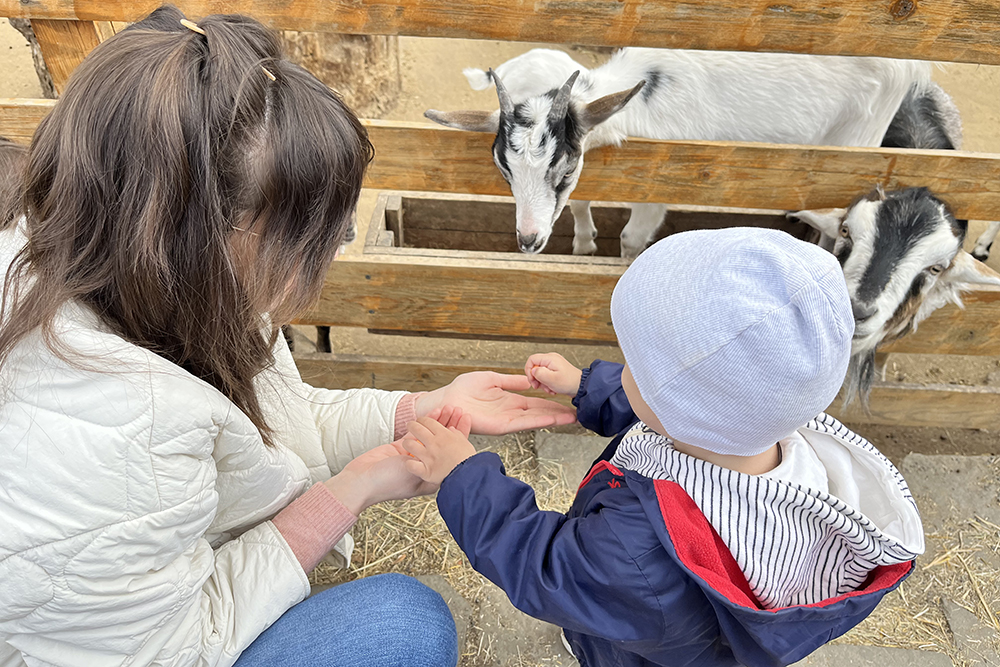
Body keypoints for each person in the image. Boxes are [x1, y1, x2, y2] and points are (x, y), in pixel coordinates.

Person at [0, 7, 574, 667]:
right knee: (405, 627)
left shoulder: (170, 277)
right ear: (210, 232)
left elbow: (270, 428)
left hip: (126, 585)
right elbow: (172, 649)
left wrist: (413, 409)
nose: (333, 251)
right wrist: (347, 491)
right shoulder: (97, 434)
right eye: (313, 232)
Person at [401, 228, 926, 667]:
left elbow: (548, 566)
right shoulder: (766, 429)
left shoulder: (638, 551)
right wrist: (588, 385)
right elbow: (685, 404)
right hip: (677, 620)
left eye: (633, 366)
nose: (625, 370)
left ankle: (591, 644)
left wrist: (463, 476)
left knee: (603, 630)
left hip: (638, 646)